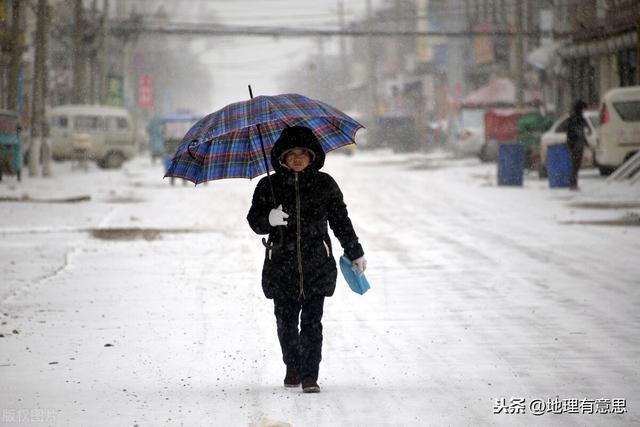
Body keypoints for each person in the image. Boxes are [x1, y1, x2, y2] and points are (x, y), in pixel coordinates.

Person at [247, 126, 366, 394]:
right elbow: (254, 221)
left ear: (313, 156)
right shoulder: (269, 185)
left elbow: (340, 221)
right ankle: (293, 366)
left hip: (317, 265)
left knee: (312, 323)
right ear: (282, 157)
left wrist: (354, 250)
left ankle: (310, 374)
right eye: (292, 153)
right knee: (285, 322)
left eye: (303, 153)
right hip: (281, 266)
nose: (298, 158)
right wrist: (269, 218)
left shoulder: (325, 184)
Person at [566, 100, 589, 190]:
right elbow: (578, 132)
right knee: (576, 164)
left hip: (574, 143)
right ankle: (573, 183)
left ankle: (573, 182)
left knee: (575, 164)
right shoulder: (577, 118)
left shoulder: (574, 117)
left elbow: (575, 132)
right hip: (576, 144)